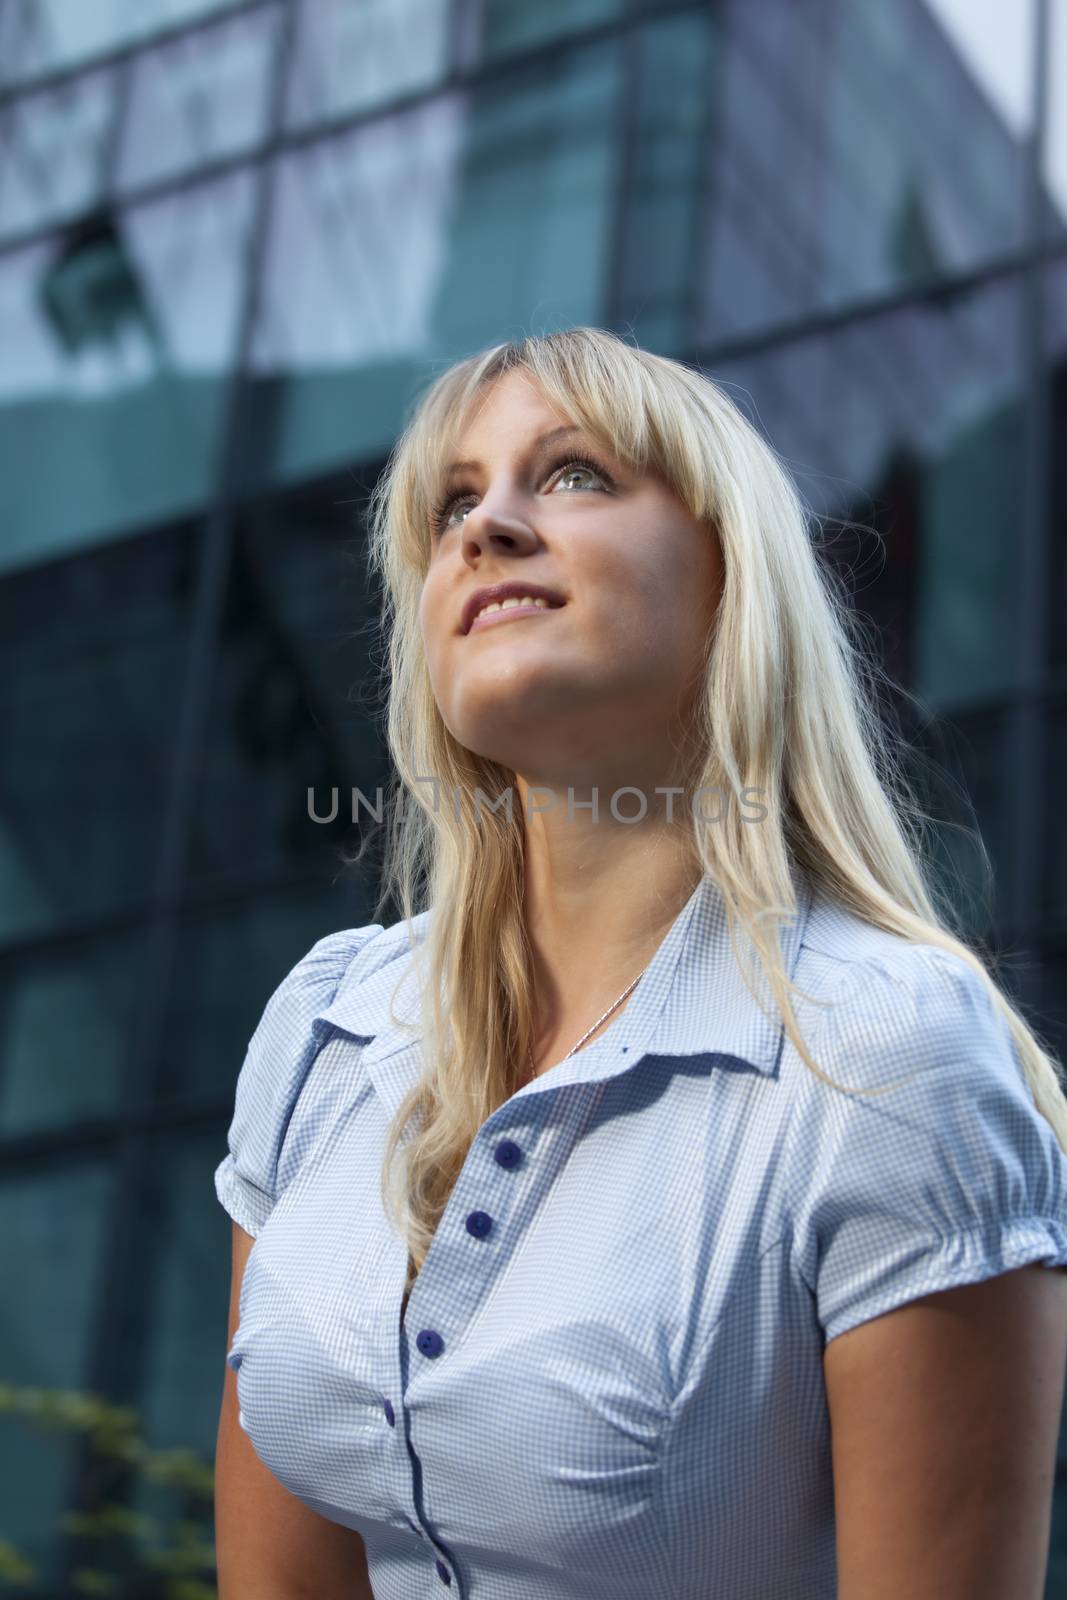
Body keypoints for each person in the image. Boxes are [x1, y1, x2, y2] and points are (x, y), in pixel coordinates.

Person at [213, 327, 1067, 1600]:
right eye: (454, 499)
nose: (486, 525)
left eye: (570, 475)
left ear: (730, 575)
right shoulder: (325, 1026)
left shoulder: (889, 1059)